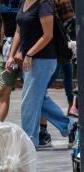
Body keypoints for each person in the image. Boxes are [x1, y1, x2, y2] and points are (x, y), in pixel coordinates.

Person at [6, 0, 77, 147]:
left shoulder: (44, 4)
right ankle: (70, 127)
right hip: (29, 60)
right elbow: (19, 30)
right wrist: (11, 55)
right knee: (38, 99)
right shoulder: (24, 2)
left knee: (29, 102)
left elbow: (48, 35)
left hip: (44, 59)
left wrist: (30, 53)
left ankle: (28, 143)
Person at [39, 0, 76, 147]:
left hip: (53, 51)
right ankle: (44, 132)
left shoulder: (52, 2)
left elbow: (70, 21)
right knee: (39, 94)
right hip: (53, 50)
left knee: (39, 94)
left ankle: (65, 124)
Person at [0, 0, 22, 122]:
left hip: (27, 46)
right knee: (2, 89)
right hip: (7, 46)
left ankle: (43, 130)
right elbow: (4, 23)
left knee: (36, 94)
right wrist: (1, 45)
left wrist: (20, 50)